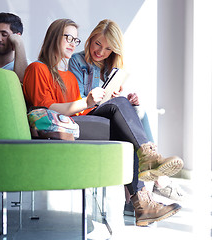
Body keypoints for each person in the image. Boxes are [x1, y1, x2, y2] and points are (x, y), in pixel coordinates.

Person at [23, 18, 183, 226]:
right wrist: (87, 102)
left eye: (75, 39)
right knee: (124, 119)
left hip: (77, 122)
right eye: (67, 37)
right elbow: (44, 109)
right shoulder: (37, 68)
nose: (72, 43)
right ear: (54, 38)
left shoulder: (68, 78)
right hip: (60, 128)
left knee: (125, 113)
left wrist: (105, 100)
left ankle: (144, 199)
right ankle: (145, 187)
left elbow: (83, 111)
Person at [68, 20, 186, 216]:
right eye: (97, 44)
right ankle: (153, 171)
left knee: (135, 111)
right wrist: (108, 100)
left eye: (107, 48)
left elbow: (108, 98)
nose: (101, 51)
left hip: (103, 114)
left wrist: (121, 99)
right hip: (85, 114)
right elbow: (79, 98)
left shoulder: (110, 66)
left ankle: (138, 204)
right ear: (90, 40)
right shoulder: (77, 61)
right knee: (128, 115)